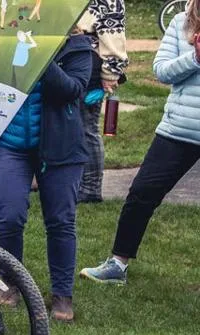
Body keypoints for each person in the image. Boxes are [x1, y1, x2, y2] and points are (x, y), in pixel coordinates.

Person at [80, 5, 200, 286]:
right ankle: (117, 265)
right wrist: (194, 58)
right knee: (142, 193)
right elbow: (161, 71)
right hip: (180, 128)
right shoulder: (181, 22)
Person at [0, 30, 95, 322]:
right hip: (9, 144)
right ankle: (9, 281)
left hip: (61, 149)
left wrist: (39, 54)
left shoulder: (77, 47)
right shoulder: (1, 38)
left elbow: (71, 90)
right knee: (9, 215)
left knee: (60, 220)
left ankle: (62, 294)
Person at [77, 0, 129, 203]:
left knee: (86, 127)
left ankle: (91, 187)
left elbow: (113, 30)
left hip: (89, 63)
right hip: (69, 59)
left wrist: (111, 72)